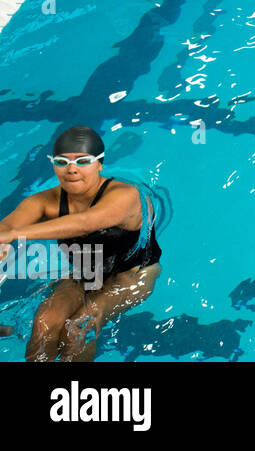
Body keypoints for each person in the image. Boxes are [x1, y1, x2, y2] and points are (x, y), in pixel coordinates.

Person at [0, 126, 162, 361]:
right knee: (45, 320)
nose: (72, 169)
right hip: (85, 273)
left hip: (133, 276)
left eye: (83, 161)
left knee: (80, 325)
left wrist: (13, 235)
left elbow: (86, 223)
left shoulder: (125, 195)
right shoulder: (46, 201)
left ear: (99, 164)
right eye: (62, 161)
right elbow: (8, 225)